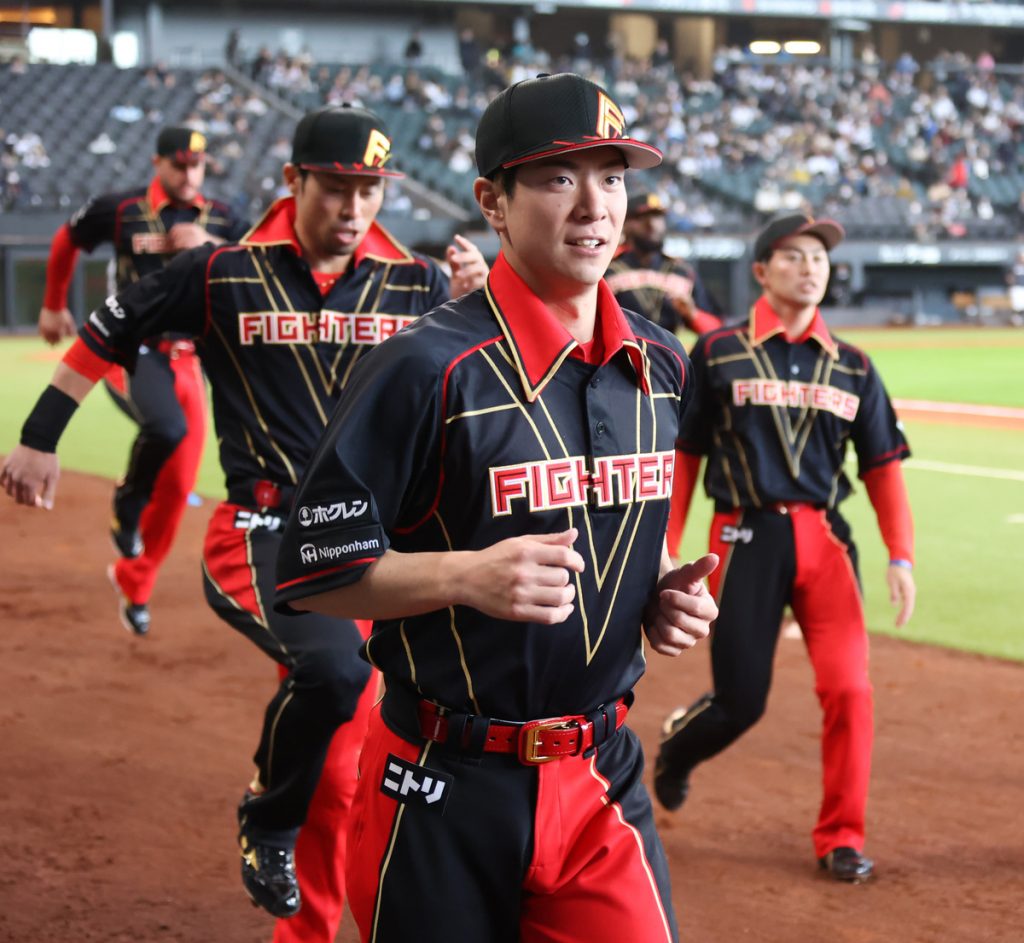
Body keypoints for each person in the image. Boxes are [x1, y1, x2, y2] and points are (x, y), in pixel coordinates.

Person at [2, 105, 488, 942]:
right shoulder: (223, 271)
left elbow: (494, 377)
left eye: (370, 190)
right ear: (294, 181)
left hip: (380, 543)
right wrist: (41, 438)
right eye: (336, 188)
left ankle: (318, 918)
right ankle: (268, 817)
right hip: (269, 531)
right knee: (336, 677)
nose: (354, 207)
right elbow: (111, 327)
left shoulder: (417, 281)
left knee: (350, 747)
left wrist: (483, 306)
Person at [273, 72, 719, 942]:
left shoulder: (661, 364)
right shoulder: (426, 366)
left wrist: (662, 585)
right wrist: (466, 575)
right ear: (494, 201)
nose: (595, 205)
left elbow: (616, 526)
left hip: (599, 777)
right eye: (559, 178)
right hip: (439, 780)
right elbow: (312, 571)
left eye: (614, 176)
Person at [653, 212, 917, 883]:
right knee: (742, 699)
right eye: (794, 256)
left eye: (820, 258)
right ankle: (678, 752)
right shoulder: (716, 354)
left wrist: (900, 554)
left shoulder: (854, 365)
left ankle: (842, 836)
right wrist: (666, 545)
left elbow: (883, 466)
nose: (810, 267)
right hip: (743, 536)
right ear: (762, 271)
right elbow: (685, 456)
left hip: (827, 539)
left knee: (851, 690)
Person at [37, 126, 248, 635]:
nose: (188, 173)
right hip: (131, 350)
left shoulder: (222, 217)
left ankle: (135, 581)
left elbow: (261, 262)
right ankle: (127, 503)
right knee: (167, 429)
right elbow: (67, 240)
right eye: (179, 164)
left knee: (178, 486)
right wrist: (51, 303)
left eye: (197, 165)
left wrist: (211, 243)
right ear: (158, 164)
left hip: (189, 358)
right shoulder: (121, 208)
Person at [605, 192, 722, 340]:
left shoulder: (682, 271)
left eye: (658, 217)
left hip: (670, 358)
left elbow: (717, 329)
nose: (653, 224)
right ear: (625, 223)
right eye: (643, 218)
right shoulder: (606, 268)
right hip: (620, 357)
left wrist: (693, 315)